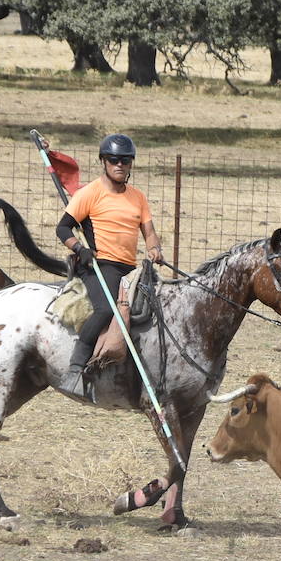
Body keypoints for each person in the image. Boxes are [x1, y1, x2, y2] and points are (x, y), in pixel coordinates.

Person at [54, 134, 166, 398]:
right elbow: (63, 227)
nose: (120, 165)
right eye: (114, 160)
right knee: (106, 310)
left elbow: (148, 230)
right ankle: (76, 367)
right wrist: (79, 249)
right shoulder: (90, 193)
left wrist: (155, 247)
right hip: (98, 265)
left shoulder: (138, 197)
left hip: (130, 267)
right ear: (103, 161)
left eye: (126, 161)